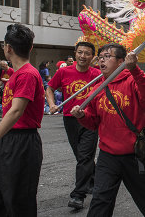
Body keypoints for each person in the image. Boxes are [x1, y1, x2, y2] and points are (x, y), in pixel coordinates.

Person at [70, 43, 145, 217]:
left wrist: (135, 70)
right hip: (108, 156)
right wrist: (82, 116)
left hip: (136, 154)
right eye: (100, 57)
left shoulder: (133, 80)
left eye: (107, 56)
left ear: (121, 61)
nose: (102, 60)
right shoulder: (97, 88)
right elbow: (93, 123)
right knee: (100, 201)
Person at [0, 24, 44, 216]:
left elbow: (16, 111)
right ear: (30, 47)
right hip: (8, 138)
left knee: (19, 200)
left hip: (22, 142)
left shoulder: (28, 74)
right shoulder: (17, 74)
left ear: (8, 48)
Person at [46, 41, 101, 210]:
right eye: (80, 52)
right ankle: (94, 180)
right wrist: (52, 103)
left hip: (90, 119)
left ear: (92, 57)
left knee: (84, 156)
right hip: (70, 119)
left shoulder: (98, 74)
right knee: (81, 155)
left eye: (87, 53)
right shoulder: (63, 72)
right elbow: (49, 87)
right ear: (75, 54)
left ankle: (78, 195)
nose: (83, 56)